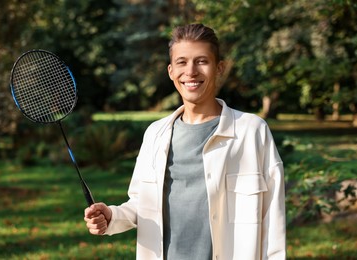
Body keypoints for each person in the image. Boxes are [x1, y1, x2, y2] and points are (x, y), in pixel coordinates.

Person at [84, 23, 286, 260]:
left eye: (202, 61)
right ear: (171, 71)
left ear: (219, 68)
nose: (191, 71)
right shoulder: (155, 134)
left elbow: (273, 219)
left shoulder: (252, 132)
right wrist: (112, 216)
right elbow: (141, 204)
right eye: (182, 62)